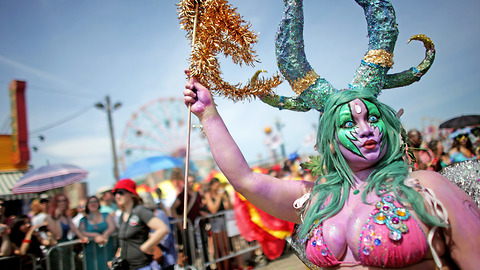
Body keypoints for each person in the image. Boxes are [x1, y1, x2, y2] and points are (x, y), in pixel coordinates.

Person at [183, 73, 480, 269]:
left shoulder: (425, 188)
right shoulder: (317, 199)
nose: (366, 131)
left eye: (372, 118)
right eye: (349, 124)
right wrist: (208, 114)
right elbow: (245, 180)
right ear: (331, 141)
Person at [111, 179, 169, 270]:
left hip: (143, 266)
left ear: (131, 193)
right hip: (127, 267)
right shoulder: (122, 215)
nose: (117, 196)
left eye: (121, 192)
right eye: (115, 193)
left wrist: (146, 246)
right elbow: (124, 242)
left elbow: (163, 229)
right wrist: (116, 258)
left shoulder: (140, 211)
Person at [44, 193, 87, 270]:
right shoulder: (49, 217)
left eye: (64, 201)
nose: (62, 203)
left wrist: (82, 237)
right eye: (59, 201)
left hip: (67, 247)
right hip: (57, 248)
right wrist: (57, 218)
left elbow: (74, 228)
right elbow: (58, 235)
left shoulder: (66, 216)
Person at [139, 191, 176, 270]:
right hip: (151, 257)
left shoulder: (159, 214)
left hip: (164, 255)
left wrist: (152, 237)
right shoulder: (141, 217)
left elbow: (166, 236)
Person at [79, 196, 116, 270]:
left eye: (95, 202)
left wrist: (105, 235)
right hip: (91, 251)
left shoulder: (106, 215)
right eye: (90, 202)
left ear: (99, 204)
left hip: (107, 248)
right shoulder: (83, 220)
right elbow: (82, 231)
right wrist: (96, 235)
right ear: (87, 205)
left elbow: (112, 227)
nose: (93, 204)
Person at [203, 177, 232, 270]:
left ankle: (227, 267)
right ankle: (220, 267)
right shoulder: (208, 195)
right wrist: (219, 197)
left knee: (225, 247)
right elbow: (213, 210)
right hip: (215, 223)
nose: (218, 187)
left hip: (223, 221)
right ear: (211, 186)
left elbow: (228, 208)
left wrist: (226, 198)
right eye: (216, 185)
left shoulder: (221, 194)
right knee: (218, 248)